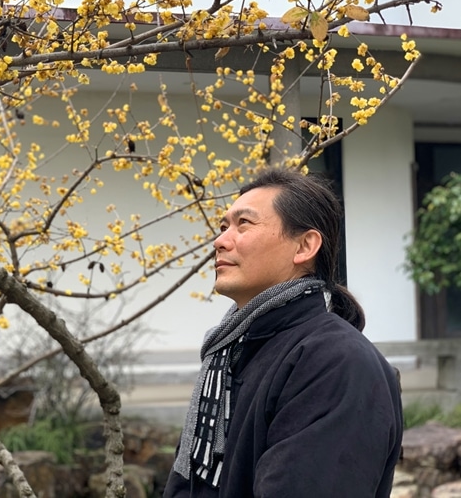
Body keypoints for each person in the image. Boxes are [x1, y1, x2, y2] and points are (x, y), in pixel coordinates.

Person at [163, 168, 403, 498]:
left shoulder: (335, 362)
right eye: (223, 227)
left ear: (304, 246)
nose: (220, 241)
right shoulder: (231, 354)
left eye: (243, 224)